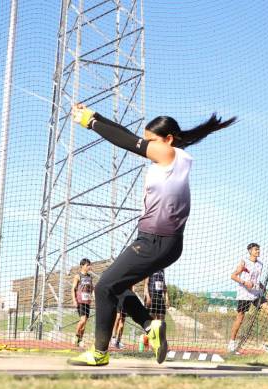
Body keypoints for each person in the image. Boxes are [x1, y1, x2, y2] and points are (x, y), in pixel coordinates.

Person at [67, 104, 236, 366]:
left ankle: (100, 353)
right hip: (160, 242)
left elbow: (127, 142)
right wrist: (95, 115)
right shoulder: (173, 159)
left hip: (155, 241)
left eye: (151, 141)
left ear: (168, 139)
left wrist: (91, 123)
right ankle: (150, 325)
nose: (146, 146)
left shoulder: (169, 154)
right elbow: (128, 136)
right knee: (117, 287)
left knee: (104, 287)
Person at [226, 243, 268, 353]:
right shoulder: (244, 262)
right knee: (240, 318)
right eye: (256, 249)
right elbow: (233, 276)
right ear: (250, 251)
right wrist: (244, 282)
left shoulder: (260, 264)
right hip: (244, 294)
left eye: (259, 249)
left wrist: (263, 288)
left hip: (256, 294)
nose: (258, 251)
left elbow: (256, 279)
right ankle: (232, 343)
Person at [71, 258, 94, 347]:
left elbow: (92, 288)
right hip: (80, 300)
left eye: (89, 265)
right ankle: (75, 336)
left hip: (87, 301)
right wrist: (74, 300)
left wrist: (94, 296)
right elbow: (73, 288)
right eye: (87, 265)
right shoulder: (78, 276)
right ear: (82, 266)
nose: (89, 267)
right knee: (82, 320)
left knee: (85, 322)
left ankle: (80, 340)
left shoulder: (89, 277)